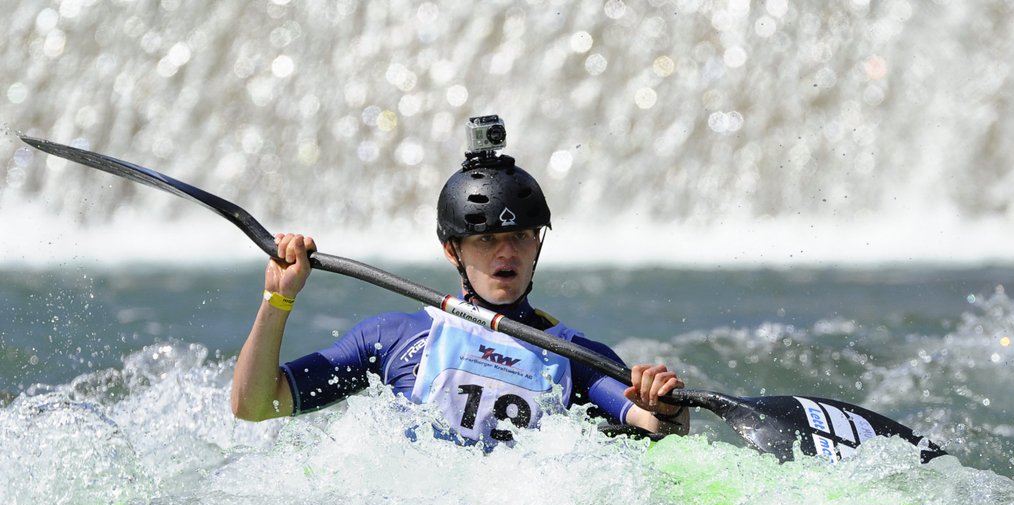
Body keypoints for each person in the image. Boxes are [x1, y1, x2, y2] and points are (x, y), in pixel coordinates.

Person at [231, 123, 689, 449]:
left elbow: (659, 430)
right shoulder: (393, 337)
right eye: (486, 239)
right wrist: (278, 298)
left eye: (520, 237)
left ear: (537, 244)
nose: (506, 253)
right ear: (453, 251)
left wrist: (664, 406)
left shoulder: (575, 357)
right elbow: (255, 405)